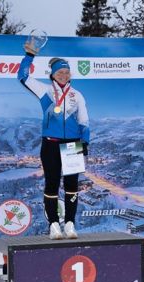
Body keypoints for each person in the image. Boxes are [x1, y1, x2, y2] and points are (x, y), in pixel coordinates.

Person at [18, 40, 90, 240]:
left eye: (67, 73)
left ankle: (70, 224)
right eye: (60, 73)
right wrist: (30, 56)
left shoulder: (77, 95)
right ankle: (53, 225)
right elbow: (22, 76)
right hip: (50, 144)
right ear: (53, 75)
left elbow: (84, 120)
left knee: (72, 186)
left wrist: (85, 142)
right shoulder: (45, 91)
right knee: (51, 184)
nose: (64, 75)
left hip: (72, 144)